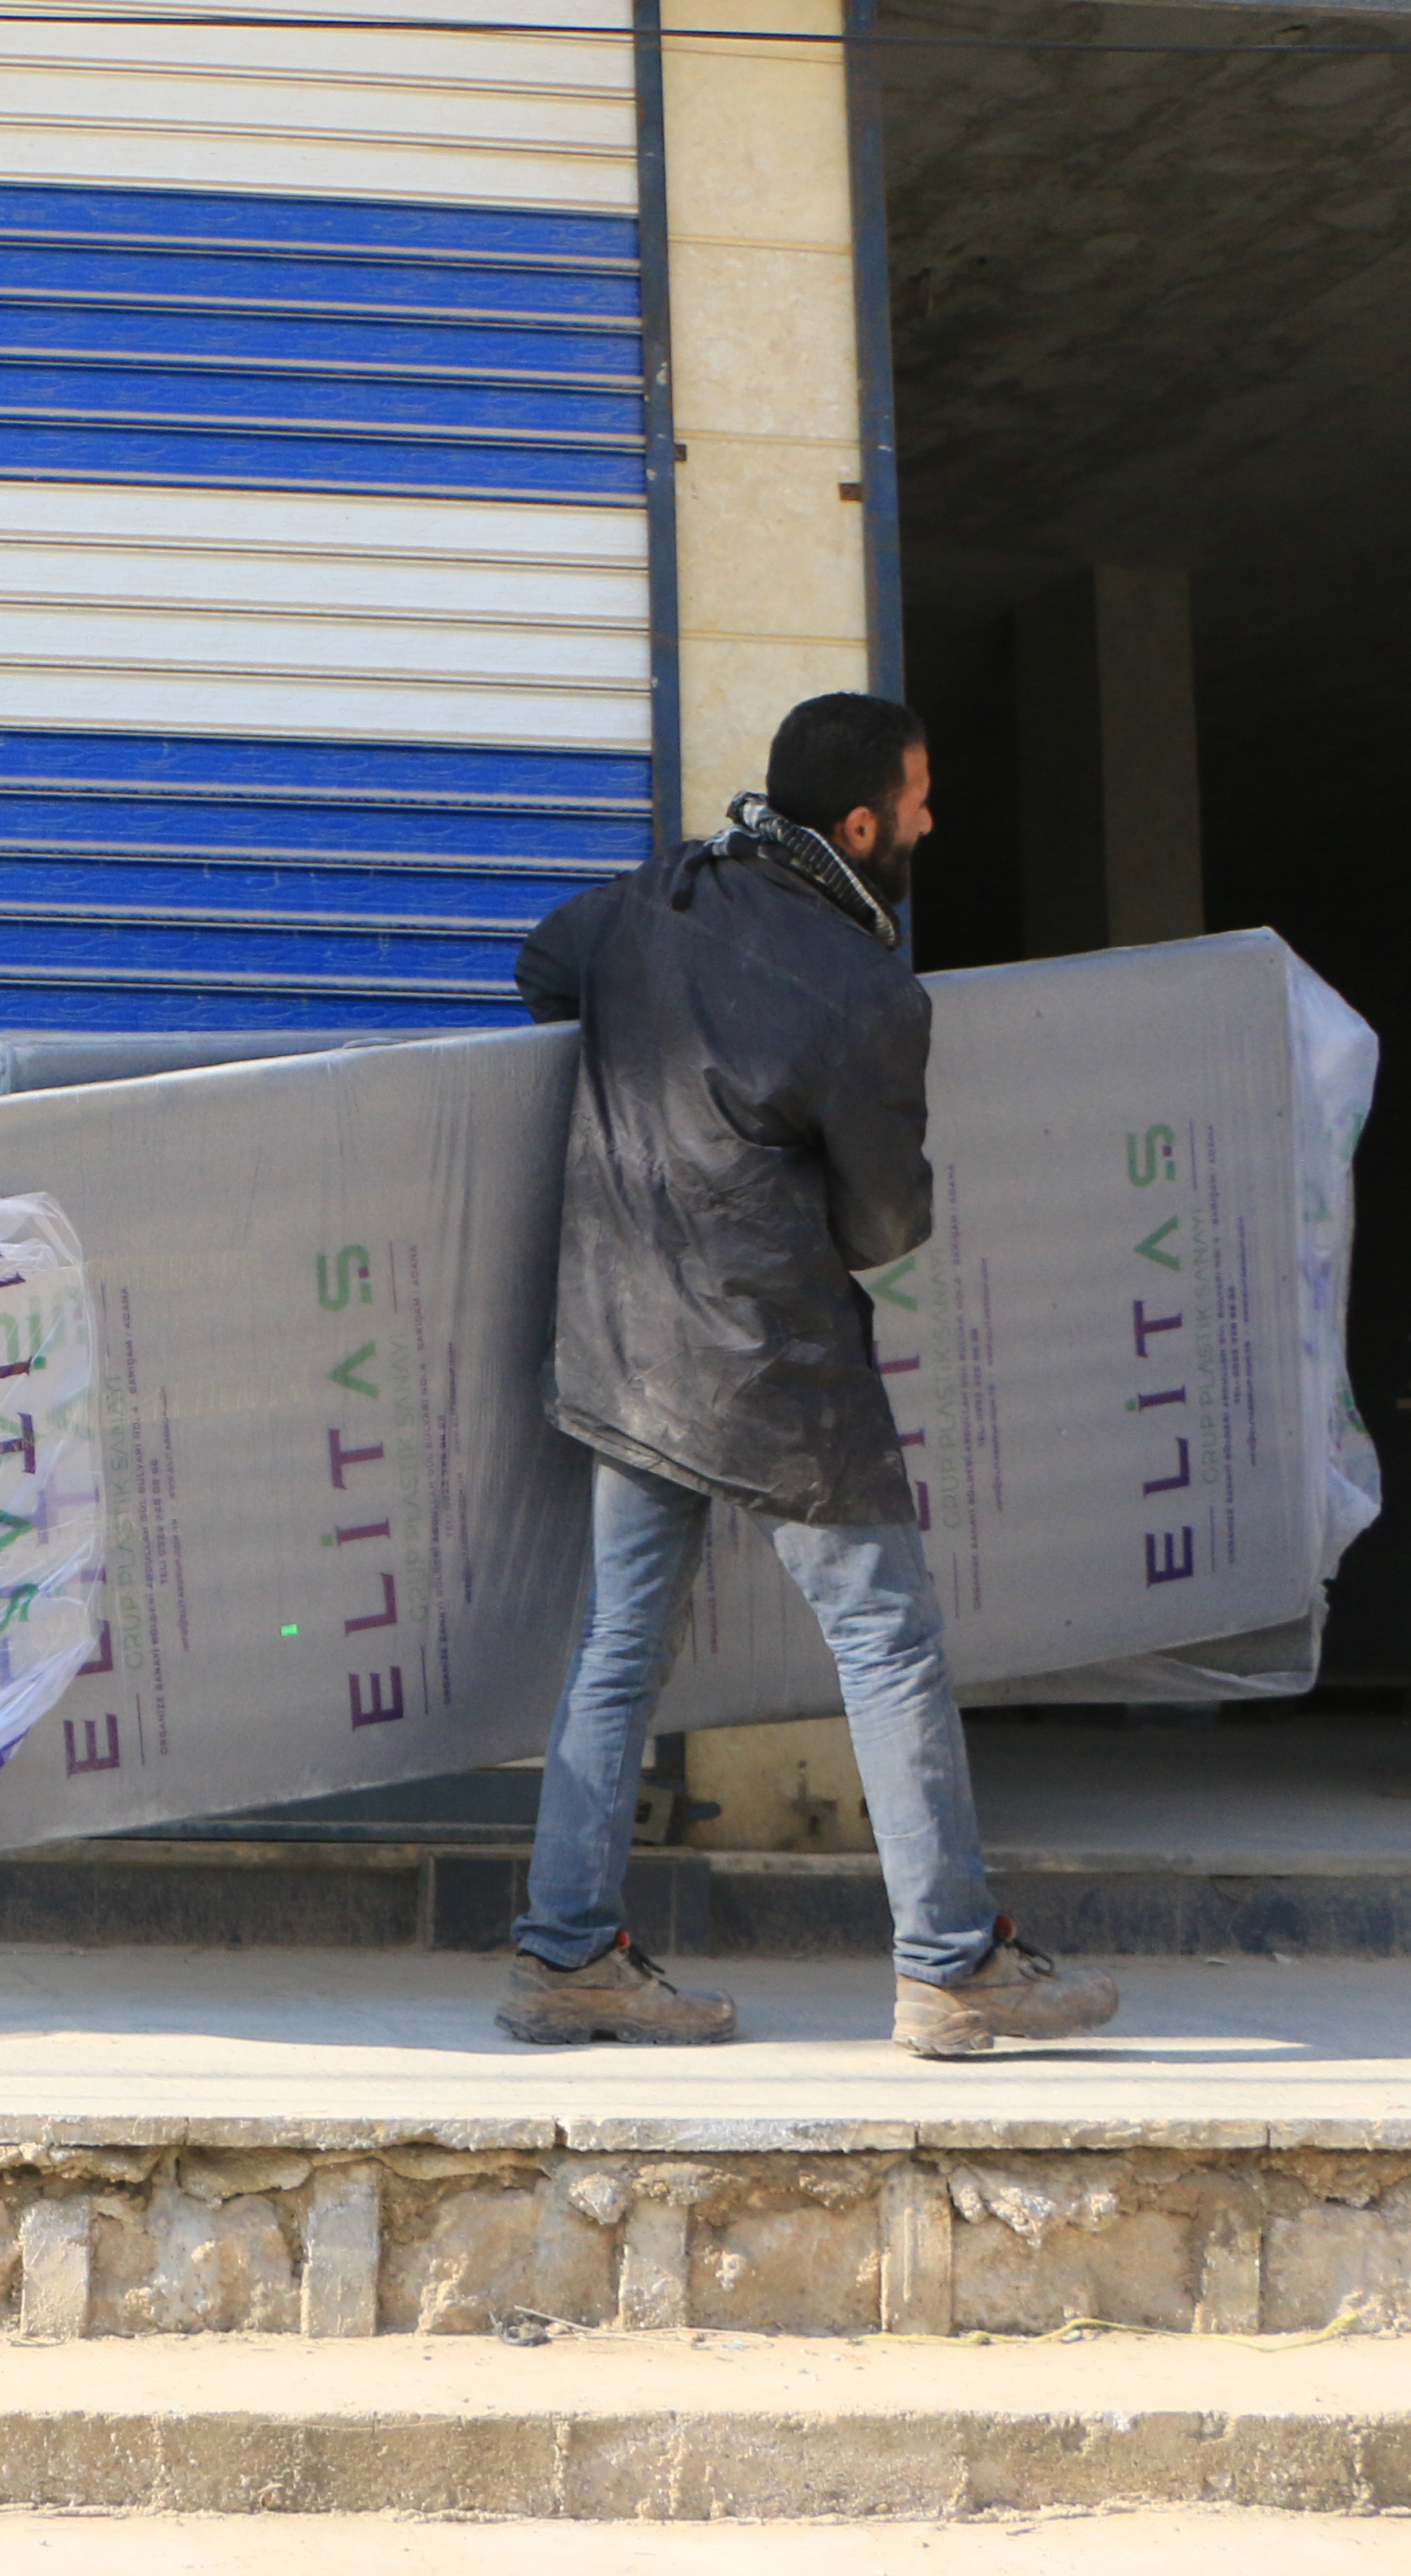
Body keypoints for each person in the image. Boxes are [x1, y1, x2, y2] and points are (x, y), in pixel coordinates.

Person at [500, 692, 1120, 2059]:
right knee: (888, 1647)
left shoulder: (646, 901)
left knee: (616, 1652)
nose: (930, 819)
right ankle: (954, 1968)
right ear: (860, 824)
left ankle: (564, 1960)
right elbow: (886, 1227)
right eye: (919, 798)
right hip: (776, 1368)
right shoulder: (865, 992)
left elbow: (544, 970)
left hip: (620, 1343)